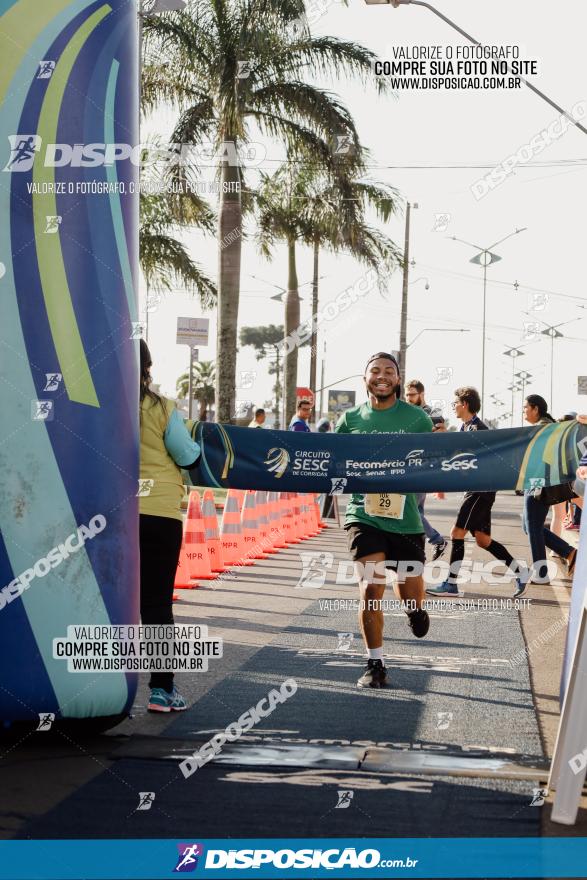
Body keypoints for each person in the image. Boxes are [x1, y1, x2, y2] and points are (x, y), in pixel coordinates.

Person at [335, 353, 433, 689]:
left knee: (410, 591)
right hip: (364, 515)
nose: (382, 376)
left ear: (398, 379)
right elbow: (330, 459)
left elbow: (435, 460)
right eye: (375, 371)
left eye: (389, 371)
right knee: (370, 587)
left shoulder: (418, 419)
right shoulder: (349, 420)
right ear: (365, 379)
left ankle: (415, 611)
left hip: (405, 520)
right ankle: (374, 663)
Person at [139, 339, 201, 712]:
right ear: (148, 366)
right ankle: (161, 690)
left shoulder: (98, 406)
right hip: (159, 513)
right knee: (156, 603)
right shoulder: (162, 408)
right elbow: (186, 454)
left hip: (108, 515)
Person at [426, 386, 526, 599]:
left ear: (465, 404)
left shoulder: (478, 430)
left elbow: (479, 458)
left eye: (455, 403)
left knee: (456, 533)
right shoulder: (465, 429)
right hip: (477, 489)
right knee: (483, 540)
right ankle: (521, 572)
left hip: (481, 490)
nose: (453, 407)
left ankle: (451, 585)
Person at [518, 394, 577, 590]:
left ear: (535, 409)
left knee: (533, 527)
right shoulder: (547, 425)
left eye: (526, 407)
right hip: (536, 483)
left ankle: (542, 572)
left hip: (538, 484)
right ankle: (569, 553)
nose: (524, 411)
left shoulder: (543, 427)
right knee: (529, 527)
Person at [404, 380, 447, 560]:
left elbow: (440, 441)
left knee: (411, 510)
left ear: (421, 394)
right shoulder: (405, 413)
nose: (408, 398)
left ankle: (436, 540)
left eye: (411, 395)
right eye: (406, 395)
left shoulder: (433, 414)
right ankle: (419, 548)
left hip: (423, 469)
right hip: (408, 467)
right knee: (416, 511)